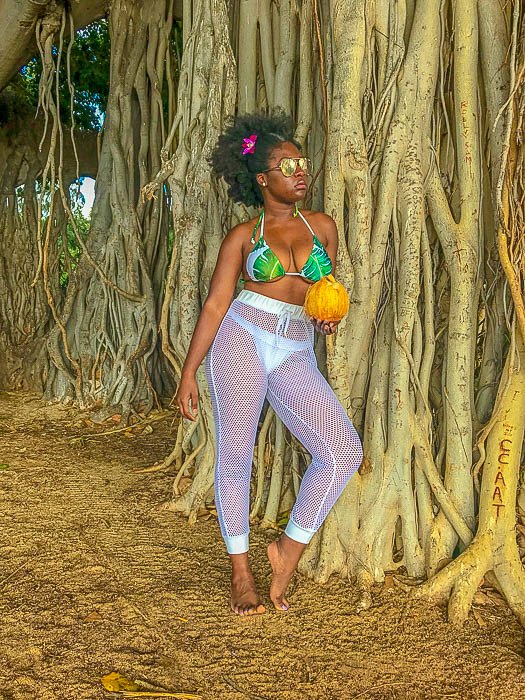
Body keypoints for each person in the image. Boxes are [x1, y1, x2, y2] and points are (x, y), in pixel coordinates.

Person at [175, 110, 363, 616]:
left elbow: (325, 295)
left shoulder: (323, 227)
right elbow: (216, 304)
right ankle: (240, 572)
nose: (300, 171)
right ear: (262, 178)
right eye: (287, 166)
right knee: (236, 455)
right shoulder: (242, 236)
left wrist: (329, 320)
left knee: (342, 449)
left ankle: (287, 549)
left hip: (296, 348)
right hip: (243, 337)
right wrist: (189, 372)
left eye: (302, 163)